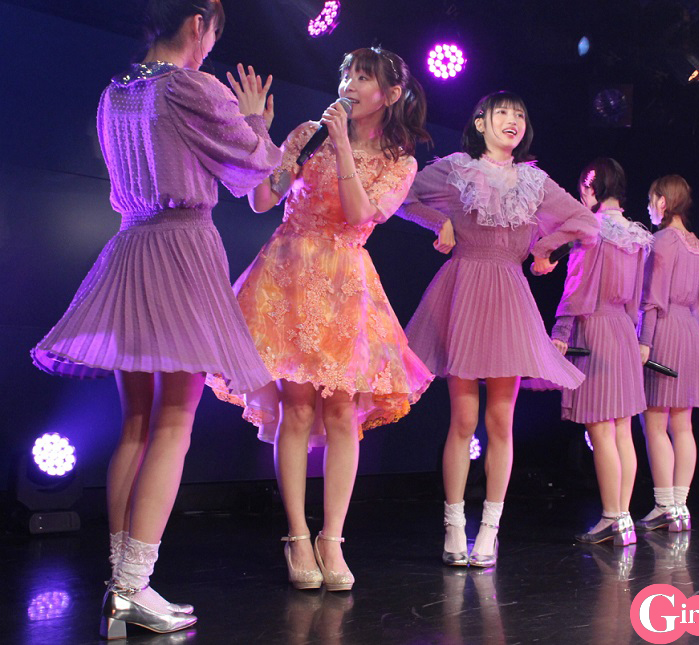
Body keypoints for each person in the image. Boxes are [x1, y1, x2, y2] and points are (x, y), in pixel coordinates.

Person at [31, 0, 282, 637]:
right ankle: (132, 586)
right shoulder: (193, 86)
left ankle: (121, 584)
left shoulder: (114, 92)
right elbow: (255, 167)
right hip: (182, 251)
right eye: (213, 32)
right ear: (199, 24)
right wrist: (256, 121)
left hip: (131, 249)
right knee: (175, 421)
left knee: (137, 424)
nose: (210, 45)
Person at [211, 47, 433, 591]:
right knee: (296, 407)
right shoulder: (308, 134)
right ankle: (296, 535)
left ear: (391, 94)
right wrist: (258, 134)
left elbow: (359, 215)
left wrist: (343, 147)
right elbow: (262, 201)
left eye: (364, 77)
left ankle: (332, 538)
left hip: (343, 283)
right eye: (347, 74)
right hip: (287, 276)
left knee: (340, 412)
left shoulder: (400, 161)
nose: (350, 84)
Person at [396, 91, 599, 568]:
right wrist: (440, 222)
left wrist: (544, 246)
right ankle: (453, 525)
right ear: (480, 122)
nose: (513, 120)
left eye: (520, 114)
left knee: (500, 421)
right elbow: (401, 196)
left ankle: (489, 530)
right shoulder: (456, 168)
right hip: (464, 288)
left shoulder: (534, 180)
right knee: (463, 420)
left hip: (508, 292)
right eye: (503, 112)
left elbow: (585, 223)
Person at [551, 158, 652, 546]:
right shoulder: (636, 235)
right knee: (623, 429)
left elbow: (576, 286)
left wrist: (561, 331)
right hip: (624, 329)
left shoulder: (591, 229)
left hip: (594, 328)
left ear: (590, 188)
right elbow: (637, 298)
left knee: (601, 429)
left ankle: (612, 517)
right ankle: (623, 517)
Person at [636, 175, 699, 533]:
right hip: (690, 332)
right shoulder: (697, 244)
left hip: (664, 330)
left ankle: (665, 504)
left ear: (662, 202)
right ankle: (680, 506)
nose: (649, 206)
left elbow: (652, 298)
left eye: (651, 199)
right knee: (682, 425)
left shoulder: (662, 240)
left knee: (654, 422)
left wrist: (644, 341)